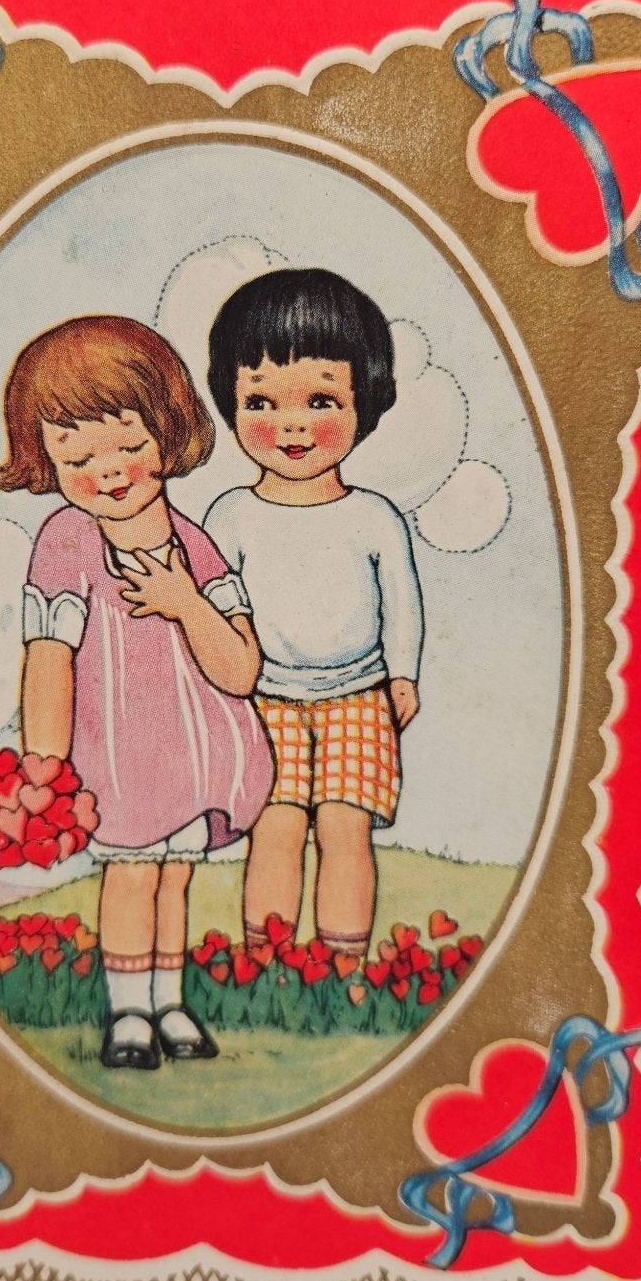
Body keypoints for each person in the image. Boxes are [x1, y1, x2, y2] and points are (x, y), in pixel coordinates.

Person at [0, 316, 273, 1071]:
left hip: (195, 756)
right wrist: (43, 764)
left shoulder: (196, 544)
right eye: (78, 456)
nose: (109, 471)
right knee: (128, 876)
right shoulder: (66, 542)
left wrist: (186, 602)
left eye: (127, 444)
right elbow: (49, 657)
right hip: (115, 760)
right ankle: (127, 1015)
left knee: (173, 879)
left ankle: (169, 1003)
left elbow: (241, 670)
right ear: (45, 460)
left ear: (167, 430)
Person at [205, 268, 423, 962]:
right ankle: (263, 964)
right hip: (262, 699)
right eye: (261, 401)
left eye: (321, 399)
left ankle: (342, 967)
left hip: (358, 697)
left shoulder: (374, 517)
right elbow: (215, 608)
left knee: (345, 829)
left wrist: (403, 675)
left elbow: (403, 603)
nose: (291, 424)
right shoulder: (230, 515)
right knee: (273, 829)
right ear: (229, 403)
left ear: (366, 401)